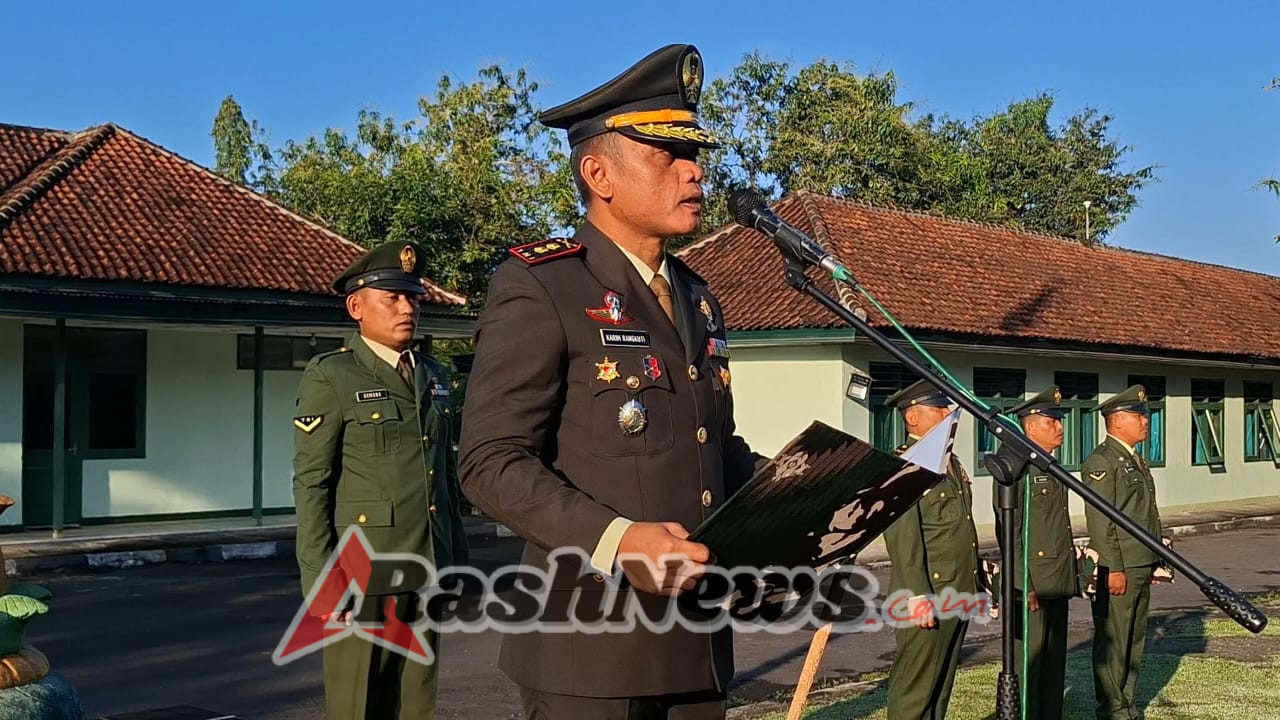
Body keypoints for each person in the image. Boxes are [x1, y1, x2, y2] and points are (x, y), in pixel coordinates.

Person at [458, 43, 766, 720]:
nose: (694, 173)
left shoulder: (698, 296)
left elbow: (713, 446)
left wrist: (810, 488)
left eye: (696, 156)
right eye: (668, 156)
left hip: (696, 641)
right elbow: (489, 462)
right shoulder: (543, 285)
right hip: (588, 654)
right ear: (599, 173)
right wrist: (621, 540)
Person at [292, 240, 469, 719]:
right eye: (392, 297)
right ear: (356, 306)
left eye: (412, 297)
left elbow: (442, 479)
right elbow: (312, 484)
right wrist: (322, 581)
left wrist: (456, 563)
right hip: (362, 573)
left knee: (416, 702)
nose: (407, 308)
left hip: (426, 564)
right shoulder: (333, 375)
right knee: (360, 704)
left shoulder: (434, 374)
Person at [881, 379, 979, 719]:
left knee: (940, 688)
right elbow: (903, 538)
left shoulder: (949, 463)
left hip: (956, 591)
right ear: (913, 417)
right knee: (915, 692)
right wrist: (916, 594)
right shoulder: (905, 467)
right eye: (939, 408)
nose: (947, 414)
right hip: (927, 595)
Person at [994, 386, 1077, 719]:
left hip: (1056, 580)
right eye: (1051, 421)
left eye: (1060, 420)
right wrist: (1021, 583)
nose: (1060, 427)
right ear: (1029, 427)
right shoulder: (1014, 465)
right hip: (1031, 583)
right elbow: (1009, 530)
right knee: (1029, 663)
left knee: (1054, 664)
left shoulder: (1048, 465)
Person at [1083, 385, 1162, 720]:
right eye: (1137, 416)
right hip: (1121, 566)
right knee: (1114, 641)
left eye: (1144, 416)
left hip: (1141, 562)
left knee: (1134, 641)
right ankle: (1113, 709)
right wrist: (1112, 567)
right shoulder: (1102, 462)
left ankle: (1127, 703)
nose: (1145, 422)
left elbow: (1145, 514)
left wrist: (1157, 559)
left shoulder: (1134, 459)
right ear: (1116, 422)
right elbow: (1101, 521)